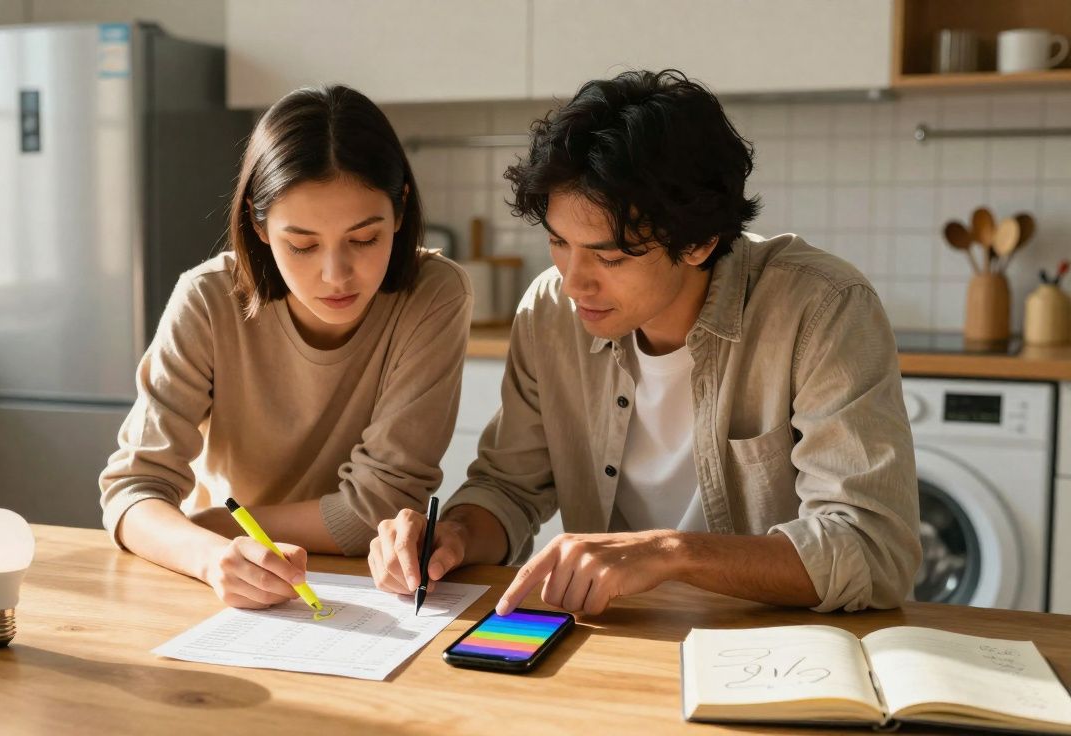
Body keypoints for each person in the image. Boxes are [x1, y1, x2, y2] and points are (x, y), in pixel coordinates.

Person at [369, 69, 921, 617]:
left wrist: (670, 553)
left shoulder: (821, 307)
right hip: (625, 639)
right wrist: (453, 537)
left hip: (780, 651)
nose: (572, 281)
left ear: (700, 241)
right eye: (559, 243)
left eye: (609, 257)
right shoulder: (550, 312)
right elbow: (510, 489)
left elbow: (872, 551)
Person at [101, 85, 472, 609]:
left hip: (370, 591)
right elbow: (132, 492)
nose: (335, 275)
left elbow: (379, 506)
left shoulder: (433, 293)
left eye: (365, 239)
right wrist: (210, 554)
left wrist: (210, 523)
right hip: (226, 582)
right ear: (258, 224)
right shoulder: (207, 299)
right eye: (301, 245)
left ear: (401, 208)